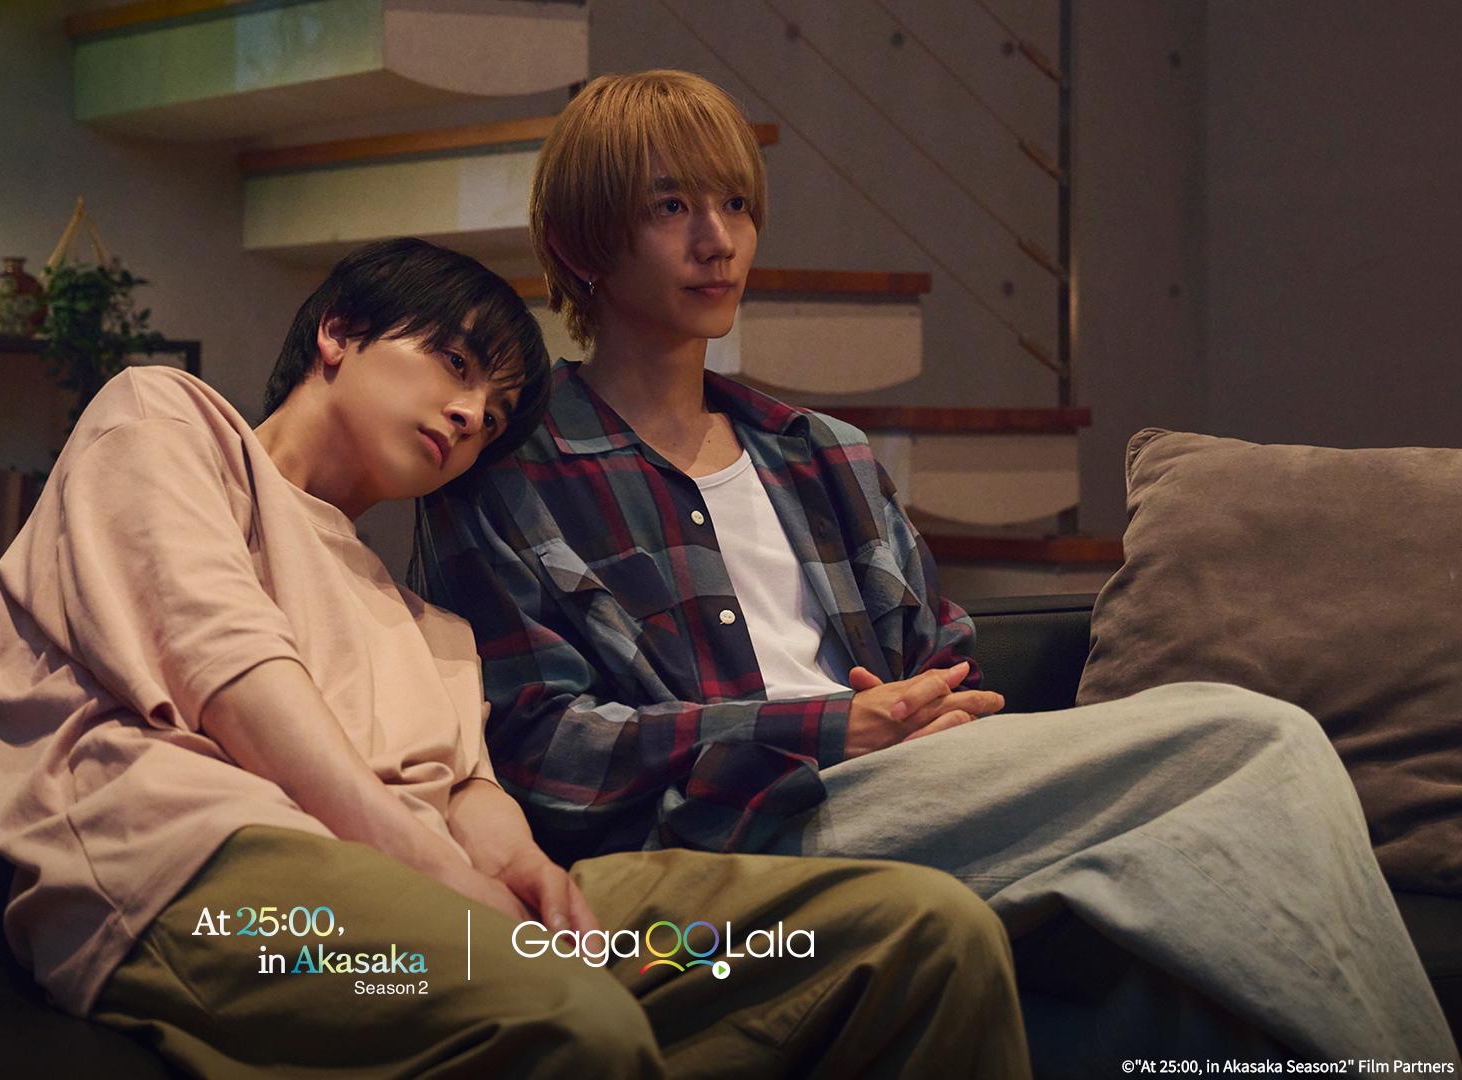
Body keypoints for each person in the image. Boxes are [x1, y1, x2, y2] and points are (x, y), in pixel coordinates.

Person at [419, 71, 1459, 1073]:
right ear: (579, 245)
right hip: (736, 830)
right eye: (670, 207)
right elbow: (543, 748)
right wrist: (829, 729)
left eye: (735, 203)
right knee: (1253, 739)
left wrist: (926, 714)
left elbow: (942, 655)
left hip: (908, 789)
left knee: (1174, 946)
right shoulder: (508, 469)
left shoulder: (820, 455)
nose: (717, 239)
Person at [0, 236, 1032, 1078]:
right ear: (339, 333)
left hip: (436, 897)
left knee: (921, 932)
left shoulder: (425, 620)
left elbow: (469, 788)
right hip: (221, 888)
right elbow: (231, 670)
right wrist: (436, 866)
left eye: (493, 413)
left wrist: (520, 867)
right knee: (569, 1020)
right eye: (456, 365)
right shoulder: (171, 422)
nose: (472, 413)